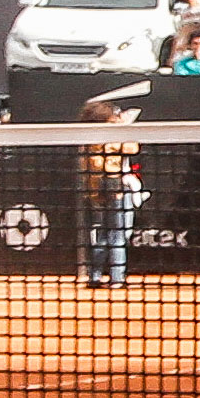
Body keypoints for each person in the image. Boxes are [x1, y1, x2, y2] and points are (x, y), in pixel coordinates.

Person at [77, 100, 146, 290]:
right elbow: (133, 148)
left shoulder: (87, 138)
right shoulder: (110, 137)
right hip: (114, 186)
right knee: (118, 235)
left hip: (94, 188)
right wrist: (125, 127)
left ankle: (95, 276)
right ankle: (117, 279)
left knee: (102, 234)